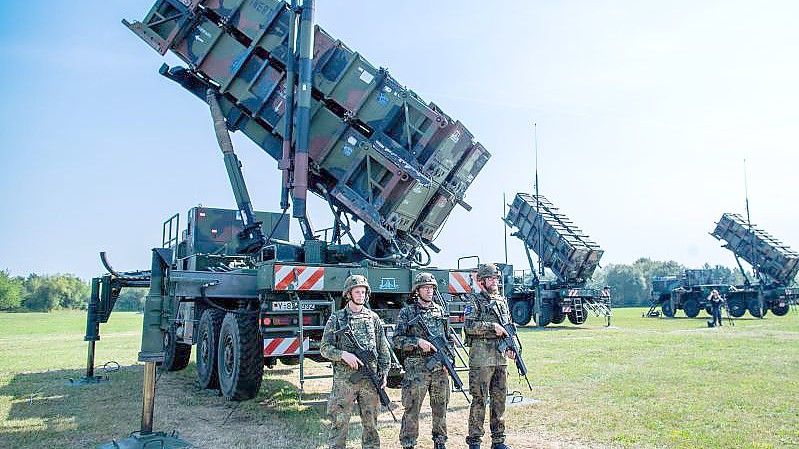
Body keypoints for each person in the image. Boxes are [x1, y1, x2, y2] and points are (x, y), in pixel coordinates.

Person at [320, 274, 392, 449]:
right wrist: (343, 355)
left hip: (370, 380)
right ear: (348, 294)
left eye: (363, 292)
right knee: (339, 423)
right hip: (345, 381)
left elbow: (383, 349)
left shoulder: (373, 318)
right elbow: (324, 348)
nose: (361, 295)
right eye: (357, 291)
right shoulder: (337, 319)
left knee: (371, 425)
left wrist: (384, 373)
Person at [393, 272, 452, 449]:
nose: (429, 291)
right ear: (417, 291)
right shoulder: (407, 312)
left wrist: (450, 361)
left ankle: (440, 442)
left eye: (432, 288)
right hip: (417, 369)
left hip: (439, 368)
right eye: (425, 288)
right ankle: (408, 443)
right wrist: (417, 342)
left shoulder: (440, 310)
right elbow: (397, 339)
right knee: (412, 408)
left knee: (440, 407)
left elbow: (448, 339)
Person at [464, 263, 515, 449]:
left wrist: (512, 347)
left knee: (499, 400)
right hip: (481, 359)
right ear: (482, 281)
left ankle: (498, 440)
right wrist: (492, 327)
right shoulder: (474, 301)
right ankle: (475, 441)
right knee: (479, 400)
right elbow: (469, 326)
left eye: (496, 278)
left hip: (500, 358)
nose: (494, 282)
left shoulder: (502, 301)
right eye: (491, 278)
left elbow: (508, 327)